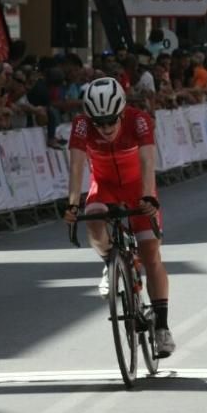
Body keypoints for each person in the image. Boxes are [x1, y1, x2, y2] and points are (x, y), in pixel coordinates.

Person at [62, 77, 175, 358]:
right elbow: (76, 166)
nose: (106, 128)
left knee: (150, 252)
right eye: (99, 123)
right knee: (94, 218)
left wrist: (149, 197)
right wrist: (73, 204)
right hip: (105, 185)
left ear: (122, 111)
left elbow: (148, 161)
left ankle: (162, 327)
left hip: (138, 188)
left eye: (111, 121)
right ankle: (110, 263)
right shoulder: (81, 125)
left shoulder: (139, 120)